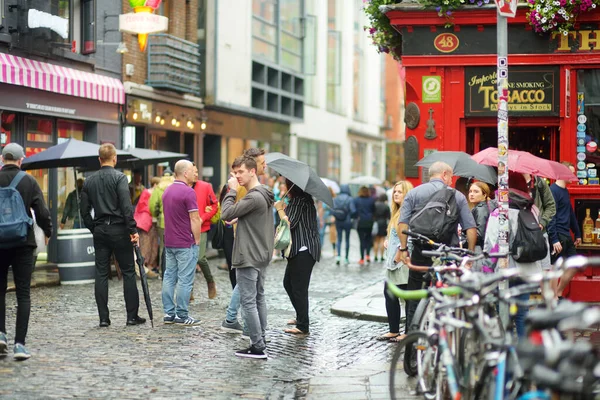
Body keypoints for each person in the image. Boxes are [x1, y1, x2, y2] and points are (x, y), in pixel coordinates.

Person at [395, 161, 476, 328]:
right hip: (447, 252)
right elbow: (470, 228)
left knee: (415, 295)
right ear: (444, 175)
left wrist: (403, 249)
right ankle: (445, 332)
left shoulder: (414, 194)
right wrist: (469, 254)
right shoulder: (457, 196)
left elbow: (402, 225)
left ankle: (413, 337)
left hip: (421, 251)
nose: (451, 181)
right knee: (449, 294)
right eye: (451, 177)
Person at [80, 143, 145, 328]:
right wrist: (133, 230)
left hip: (100, 229)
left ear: (99, 159)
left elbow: (84, 210)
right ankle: (131, 316)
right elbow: (126, 207)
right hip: (119, 230)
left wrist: (93, 227)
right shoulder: (120, 178)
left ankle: (103, 318)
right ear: (115, 158)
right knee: (128, 272)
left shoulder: (89, 181)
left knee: (101, 273)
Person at [0, 143, 52, 360]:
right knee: (23, 293)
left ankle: (0, 334)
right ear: (21, 160)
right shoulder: (29, 181)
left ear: (3, 159)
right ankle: (19, 345)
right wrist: (48, 232)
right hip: (23, 242)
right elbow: (41, 211)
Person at [221, 156, 274, 359]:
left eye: (240, 172)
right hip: (260, 253)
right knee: (258, 297)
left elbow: (225, 213)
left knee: (248, 301)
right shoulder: (264, 193)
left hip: (249, 254)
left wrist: (231, 191)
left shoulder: (253, 196)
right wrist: (241, 217)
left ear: (252, 171)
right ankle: (260, 337)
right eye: (234, 173)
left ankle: (257, 346)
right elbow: (253, 218)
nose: (236, 176)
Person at [485, 171, 543, 338]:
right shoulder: (533, 209)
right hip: (526, 268)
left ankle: (505, 348)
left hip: (505, 268)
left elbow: (492, 241)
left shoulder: (500, 212)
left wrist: (487, 267)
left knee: (502, 310)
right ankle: (524, 348)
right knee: (522, 311)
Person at [275, 179, 321, 335]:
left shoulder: (299, 202)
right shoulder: (304, 200)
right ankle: (301, 316)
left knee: (299, 288)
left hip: (303, 249)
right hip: (302, 250)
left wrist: (280, 209)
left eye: (287, 185)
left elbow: (290, 223)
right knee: (288, 283)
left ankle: (303, 325)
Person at [161, 160, 202, 326]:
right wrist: (197, 240)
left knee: (169, 277)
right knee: (185, 280)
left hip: (169, 242)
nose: (194, 173)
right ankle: (182, 315)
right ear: (185, 173)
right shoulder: (188, 192)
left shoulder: (167, 191)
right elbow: (195, 218)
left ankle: (169, 313)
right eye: (192, 170)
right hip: (185, 242)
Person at [377, 180, 413, 342]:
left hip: (402, 261)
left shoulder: (408, 212)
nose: (396, 194)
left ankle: (407, 331)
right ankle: (393, 330)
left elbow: (408, 235)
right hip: (393, 261)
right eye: (395, 191)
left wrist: (399, 252)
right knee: (389, 293)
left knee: (407, 297)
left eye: (400, 191)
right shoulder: (396, 212)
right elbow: (394, 234)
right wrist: (387, 241)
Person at [548, 162, 582, 298]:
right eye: (571, 172)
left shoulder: (565, 191)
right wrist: (554, 239)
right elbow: (551, 216)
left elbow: (571, 214)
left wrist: (578, 233)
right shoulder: (553, 190)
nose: (572, 176)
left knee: (574, 265)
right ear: (562, 173)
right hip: (558, 235)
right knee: (555, 268)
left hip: (566, 235)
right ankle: (554, 298)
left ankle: (559, 292)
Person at [191, 164, 218, 299]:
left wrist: (203, 218)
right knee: (188, 259)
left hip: (201, 227)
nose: (196, 174)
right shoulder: (182, 187)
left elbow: (215, 206)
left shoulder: (206, 186)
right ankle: (188, 290)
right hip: (186, 229)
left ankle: (210, 281)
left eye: (197, 172)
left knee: (200, 257)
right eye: (193, 172)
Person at [523, 173, 556, 272]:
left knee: (544, 272)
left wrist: (542, 223)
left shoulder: (539, 182)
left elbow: (551, 206)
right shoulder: (511, 181)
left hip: (540, 234)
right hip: (521, 235)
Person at [149, 169, 174, 277]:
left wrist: (157, 214)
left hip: (163, 222)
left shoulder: (158, 188)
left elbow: (152, 205)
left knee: (163, 247)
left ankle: (163, 271)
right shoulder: (176, 185)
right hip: (176, 222)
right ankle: (174, 271)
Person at [133, 179, 159, 278]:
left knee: (152, 244)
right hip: (146, 223)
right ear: (155, 184)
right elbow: (142, 207)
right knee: (146, 244)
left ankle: (148, 266)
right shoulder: (147, 192)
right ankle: (143, 267)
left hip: (152, 222)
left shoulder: (152, 192)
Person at [468, 182, 492, 272]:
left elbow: (479, 233)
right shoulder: (481, 207)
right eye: (470, 191)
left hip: (478, 248)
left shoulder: (481, 209)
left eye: (476, 192)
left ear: (484, 195)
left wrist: (465, 237)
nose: (471, 194)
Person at [333, 184, 356, 265]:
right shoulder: (350, 199)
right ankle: (346, 258)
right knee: (347, 239)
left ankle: (338, 256)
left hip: (338, 221)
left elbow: (332, 209)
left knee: (339, 239)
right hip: (347, 221)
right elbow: (353, 210)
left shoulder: (336, 198)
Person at [354, 186, 376, 265]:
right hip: (369, 221)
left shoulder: (356, 200)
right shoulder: (371, 200)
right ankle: (368, 255)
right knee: (368, 239)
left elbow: (354, 211)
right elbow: (374, 210)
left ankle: (362, 259)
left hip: (360, 222)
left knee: (361, 240)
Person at [372, 193, 391, 262]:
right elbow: (389, 217)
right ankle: (382, 256)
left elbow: (372, 214)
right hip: (383, 223)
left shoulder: (375, 205)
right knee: (382, 240)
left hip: (376, 223)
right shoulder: (386, 206)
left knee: (376, 240)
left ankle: (375, 256)